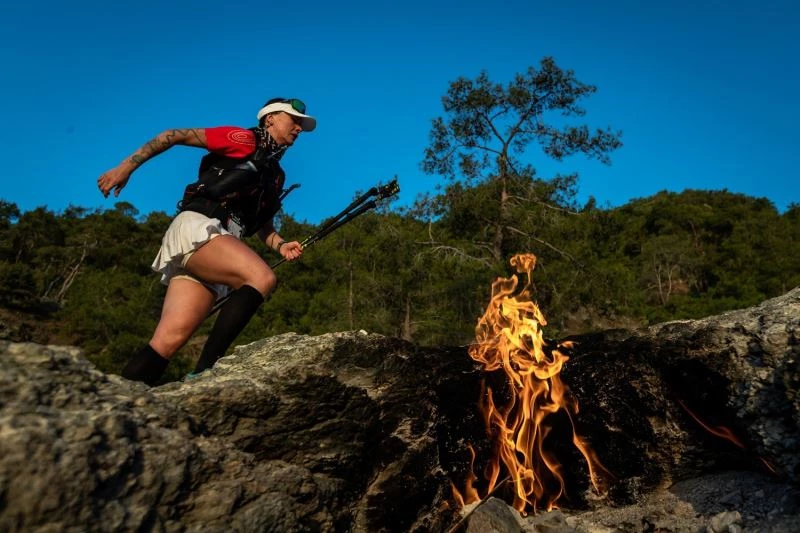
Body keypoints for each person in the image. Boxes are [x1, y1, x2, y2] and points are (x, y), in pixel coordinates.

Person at [97, 98, 316, 385]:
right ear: (270, 118)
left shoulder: (276, 175)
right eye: (294, 120)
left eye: (301, 124)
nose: (298, 128)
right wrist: (125, 167)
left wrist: (281, 244)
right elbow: (172, 135)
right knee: (261, 277)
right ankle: (206, 373)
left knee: (167, 341)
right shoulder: (243, 138)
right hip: (200, 227)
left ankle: (120, 399)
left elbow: (262, 227)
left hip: (215, 246)